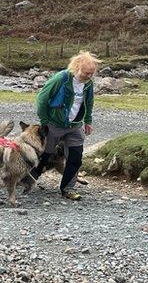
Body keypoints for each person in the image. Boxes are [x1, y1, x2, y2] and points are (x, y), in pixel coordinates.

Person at [32, 51, 99, 200]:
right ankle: (27, 179)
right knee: (44, 155)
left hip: (75, 126)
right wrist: (44, 121)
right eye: (86, 73)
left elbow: (89, 102)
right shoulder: (61, 78)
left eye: (91, 74)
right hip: (54, 124)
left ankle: (67, 189)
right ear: (76, 67)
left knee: (75, 157)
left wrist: (88, 121)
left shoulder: (88, 84)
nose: (88, 76)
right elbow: (42, 99)